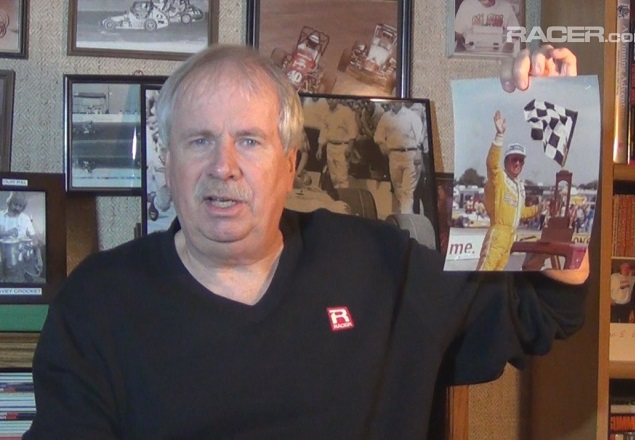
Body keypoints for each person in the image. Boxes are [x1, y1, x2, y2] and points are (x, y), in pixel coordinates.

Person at [25, 44, 587, 439]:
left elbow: (543, 310)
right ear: (167, 164)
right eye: (199, 141)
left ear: (290, 166)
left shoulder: (382, 266)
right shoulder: (98, 301)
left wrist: (543, 117)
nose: (223, 166)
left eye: (250, 141)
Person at [476, 111, 540, 271]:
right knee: (483, 274)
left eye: (521, 160)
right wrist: (499, 135)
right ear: (506, 161)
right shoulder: (500, 178)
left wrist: (540, 208)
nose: (517, 163)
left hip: (510, 238)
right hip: (497, 234)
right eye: (514, 159)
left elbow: (521, 213)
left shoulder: (519, 186)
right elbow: (491, 164)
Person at [374, 101, 424, 214]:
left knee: (407, 191)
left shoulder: (411, 115)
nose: (393, 103)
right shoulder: (386, 117)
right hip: (394, 155)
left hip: (410, 155)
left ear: (401, 102)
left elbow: (420, 137)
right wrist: (383, 145)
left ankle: (406, 219)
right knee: (398, 191)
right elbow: (378, 136)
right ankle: (405, 218)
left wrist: (418, 153)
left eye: (396, 101)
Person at [315, 99, 358, 189]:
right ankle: (337, 196)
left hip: (342, 147)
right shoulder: (325, 113)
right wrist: (319, 148)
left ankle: (344, 196)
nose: (330, 101)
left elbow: (352, 131)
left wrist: (350, 147)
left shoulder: (346, 111)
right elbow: (323, 132)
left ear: (337, 99)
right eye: (328, 99)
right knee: (334, 177)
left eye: (333, 99)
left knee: (342, 177)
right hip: (330, 146)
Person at [454, 0, 520, 52]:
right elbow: (457, 32)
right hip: (472, 53)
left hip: (498, 54)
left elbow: (516, 30)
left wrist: (510, 43)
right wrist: (459, 45)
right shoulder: (467, 5)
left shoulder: (506, 6)